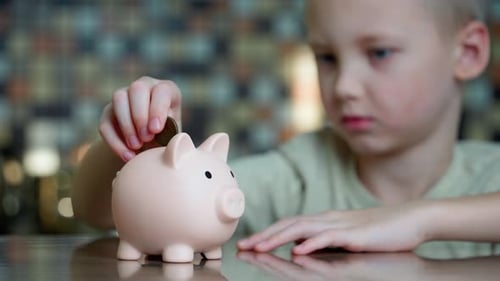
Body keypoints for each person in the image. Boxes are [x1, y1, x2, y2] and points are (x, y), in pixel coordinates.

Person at [71, 0, 500, 258]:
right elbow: (97, 214)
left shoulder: (489, 177)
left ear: (468, 52)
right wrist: (139, 146)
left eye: (380, 53)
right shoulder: (296, 177)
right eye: (326, 58)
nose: (344, 86)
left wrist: (419, 220)